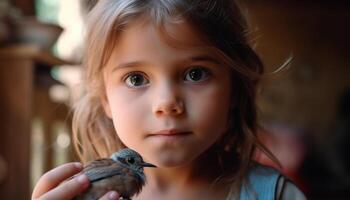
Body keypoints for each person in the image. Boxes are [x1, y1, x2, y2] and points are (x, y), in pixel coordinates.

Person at [32, 0, 307, 199]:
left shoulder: (277, 195)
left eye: (195, 74)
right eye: (136, 79)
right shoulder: (81, 194)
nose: (166, 103)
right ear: (105, 98)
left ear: (234, 88)